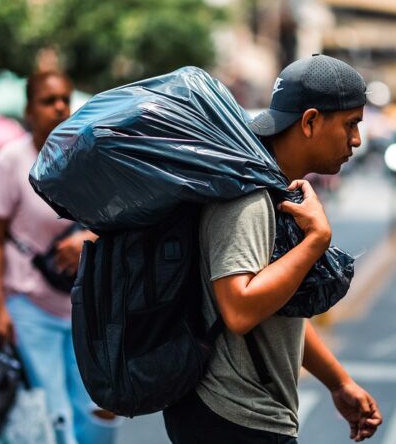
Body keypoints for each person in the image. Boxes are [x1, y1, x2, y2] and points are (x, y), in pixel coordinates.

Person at [162, 54, 383, 443]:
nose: (357, 139)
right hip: (234, 417)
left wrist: (338, 381)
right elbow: (240, 309)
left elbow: (275, 307)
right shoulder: (248, 196)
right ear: (311, 121)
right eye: (350, 124)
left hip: (241, 415)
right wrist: (316, 242)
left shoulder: (269, 181)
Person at [0, 72, 118, 444]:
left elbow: (116, 217)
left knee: (97, 406)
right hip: (28, 304)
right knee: (55, 412)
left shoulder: (85, 156)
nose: (59, 107)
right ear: (28, 110)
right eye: (48, 100)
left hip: (83, 305)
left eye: (65, 99)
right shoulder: (9, 162)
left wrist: (86, 238)